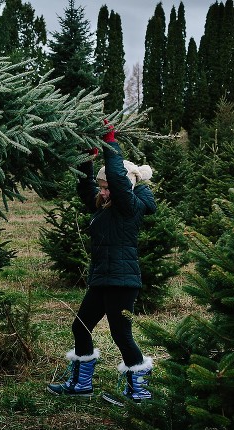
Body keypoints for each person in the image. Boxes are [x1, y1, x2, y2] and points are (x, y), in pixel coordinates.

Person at [47, 122, 156, 405]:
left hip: (122, 281)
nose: (104, 192)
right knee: (80, 326)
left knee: (121, 334)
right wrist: (88, 156)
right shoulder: (103, 207)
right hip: (103, 279)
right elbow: (84, 188)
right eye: (102, 187)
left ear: (122, 188)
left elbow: (119, 180)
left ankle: (138, 392)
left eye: (107, 188)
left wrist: (111, 144)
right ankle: (81, 384)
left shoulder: (128, 207)